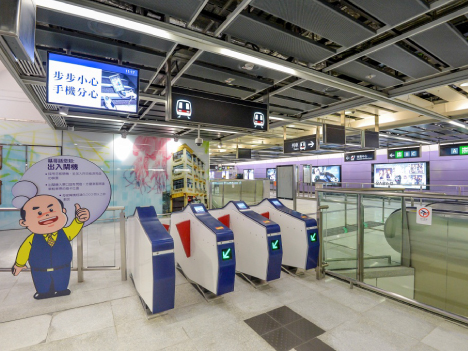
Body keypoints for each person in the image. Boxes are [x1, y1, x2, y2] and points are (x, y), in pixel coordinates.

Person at [12, 195, 90, 299]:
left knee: (62, 280)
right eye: (39, 213)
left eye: (51, 209)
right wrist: (19, 264)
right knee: (42, 283)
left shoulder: (65, 233)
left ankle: (61, 289)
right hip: (40, 269)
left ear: (63, 211)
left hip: (62, 266)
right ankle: (42, 292)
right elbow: (24, 250)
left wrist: (79, 220)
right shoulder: (32, 239)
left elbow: (73, 229)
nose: (47, 214)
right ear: (24, 222)